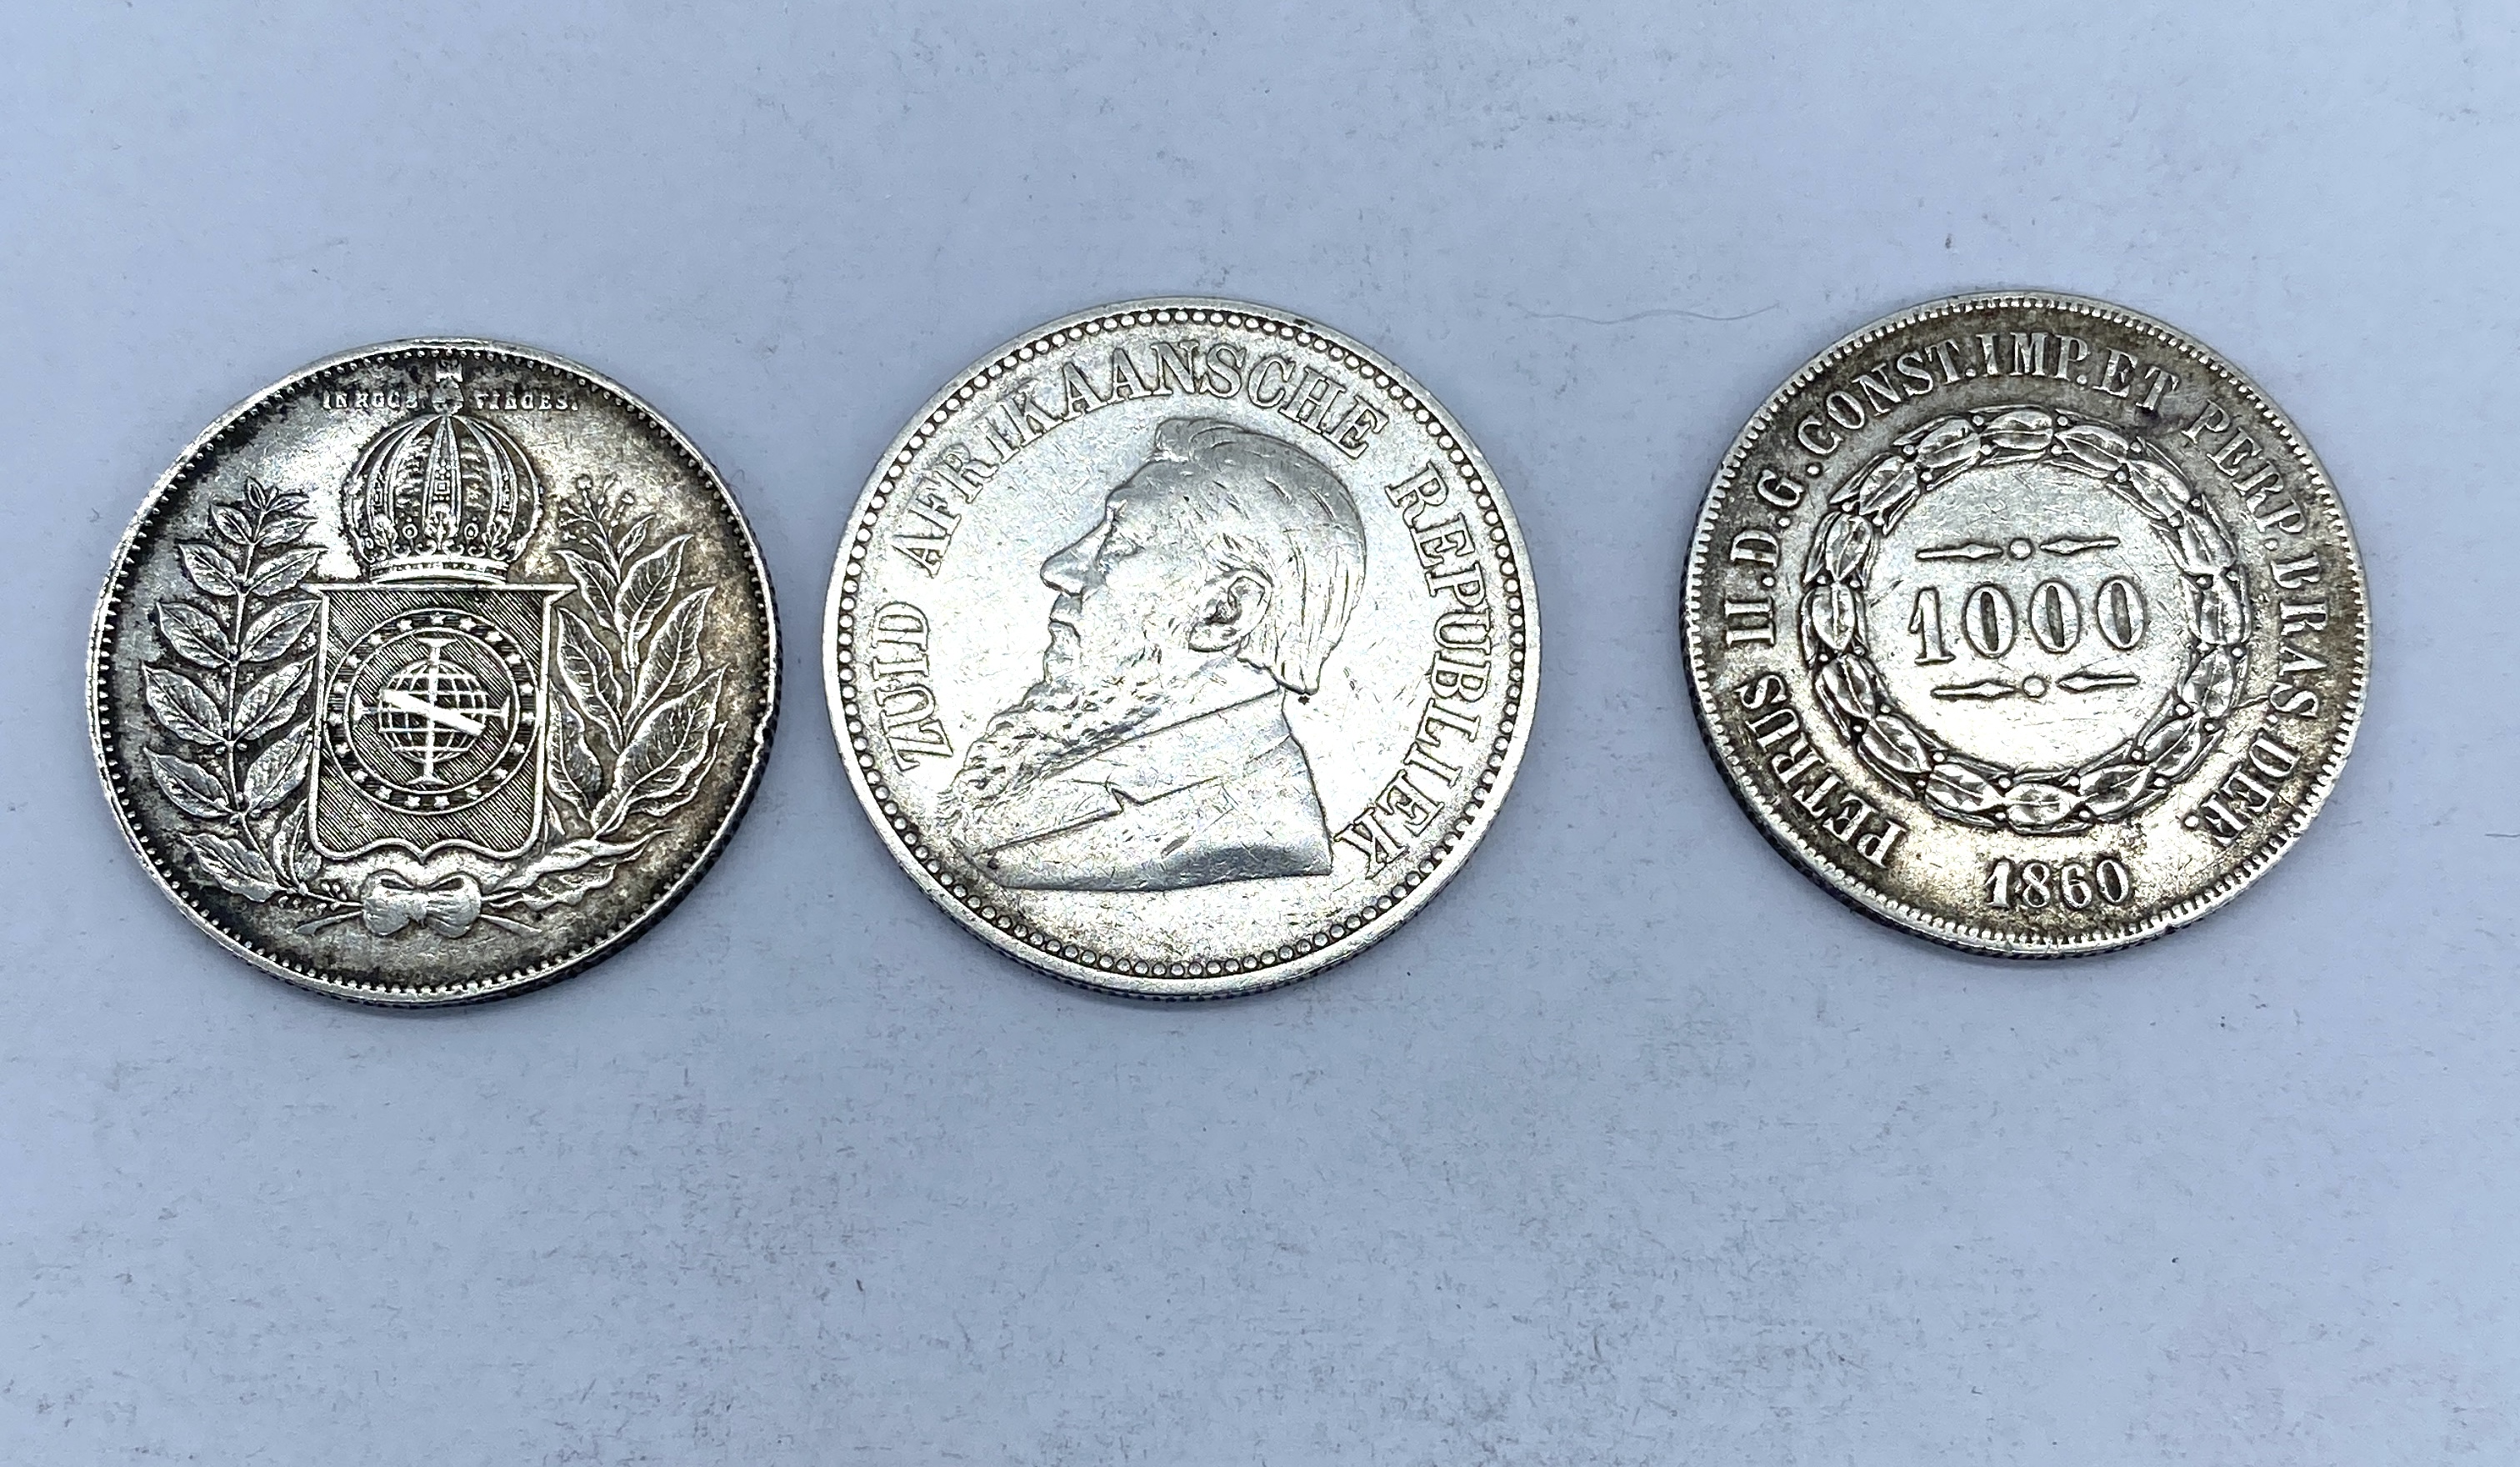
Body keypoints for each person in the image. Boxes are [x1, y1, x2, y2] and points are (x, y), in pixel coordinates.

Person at [942, 418, 1367, 890]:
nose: (1059, 569)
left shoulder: (1253, 820)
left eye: (1120, 542)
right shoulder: (1073, 756)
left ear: (1225, 612)